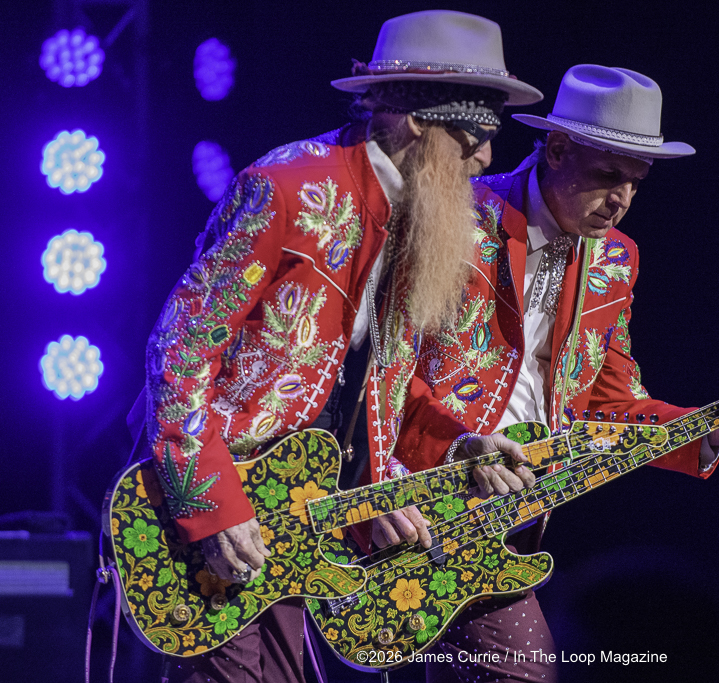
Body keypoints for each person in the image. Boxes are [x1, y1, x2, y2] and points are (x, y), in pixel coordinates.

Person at [143, 11, 542, 682]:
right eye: (475, 134)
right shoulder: (288, 187)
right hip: (221, 506)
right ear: (418, 122)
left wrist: (453, 442)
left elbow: (368, 386)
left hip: (305, 519)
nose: (487, 158)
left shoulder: (424, 220)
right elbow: (179, 351)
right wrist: (208, 505)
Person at [383, 64, 719, 682]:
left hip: (505, 520)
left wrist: (706, 430)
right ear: (559, 149)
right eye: (607, 176)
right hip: (408, 495)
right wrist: (451, 448)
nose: (621, 198)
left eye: (636, 182)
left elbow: (611, 400)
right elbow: (385, 370)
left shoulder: (617, 258)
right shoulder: (458, 220)